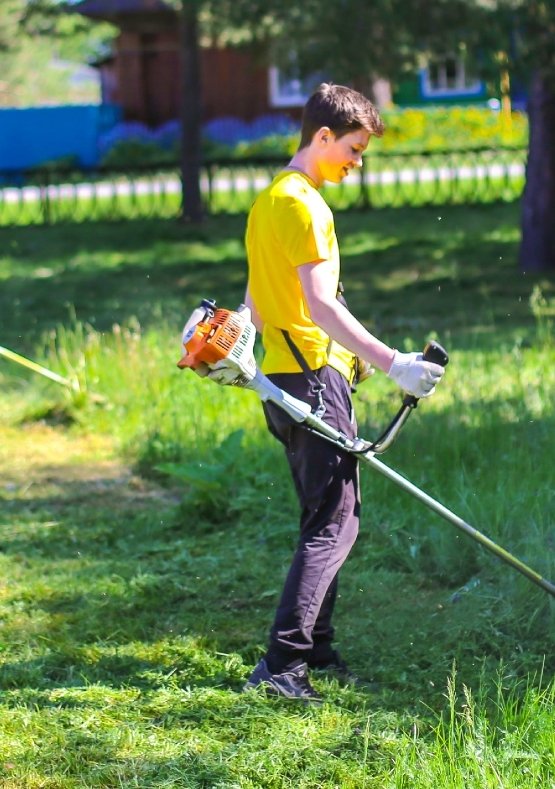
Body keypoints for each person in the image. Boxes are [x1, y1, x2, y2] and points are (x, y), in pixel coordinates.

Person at [240, 84, 445, 701]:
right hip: (311, 380)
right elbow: (320, 304)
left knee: (324, 517)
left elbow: (254, 299)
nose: (358, 162)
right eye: (353, 149)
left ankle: (318, 650)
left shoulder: (269, 199)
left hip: (279, 376)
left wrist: (241, 354)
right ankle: (282, 666)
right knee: (336, 524)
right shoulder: (307, 207)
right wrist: (392, 363)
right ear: (322, 137)